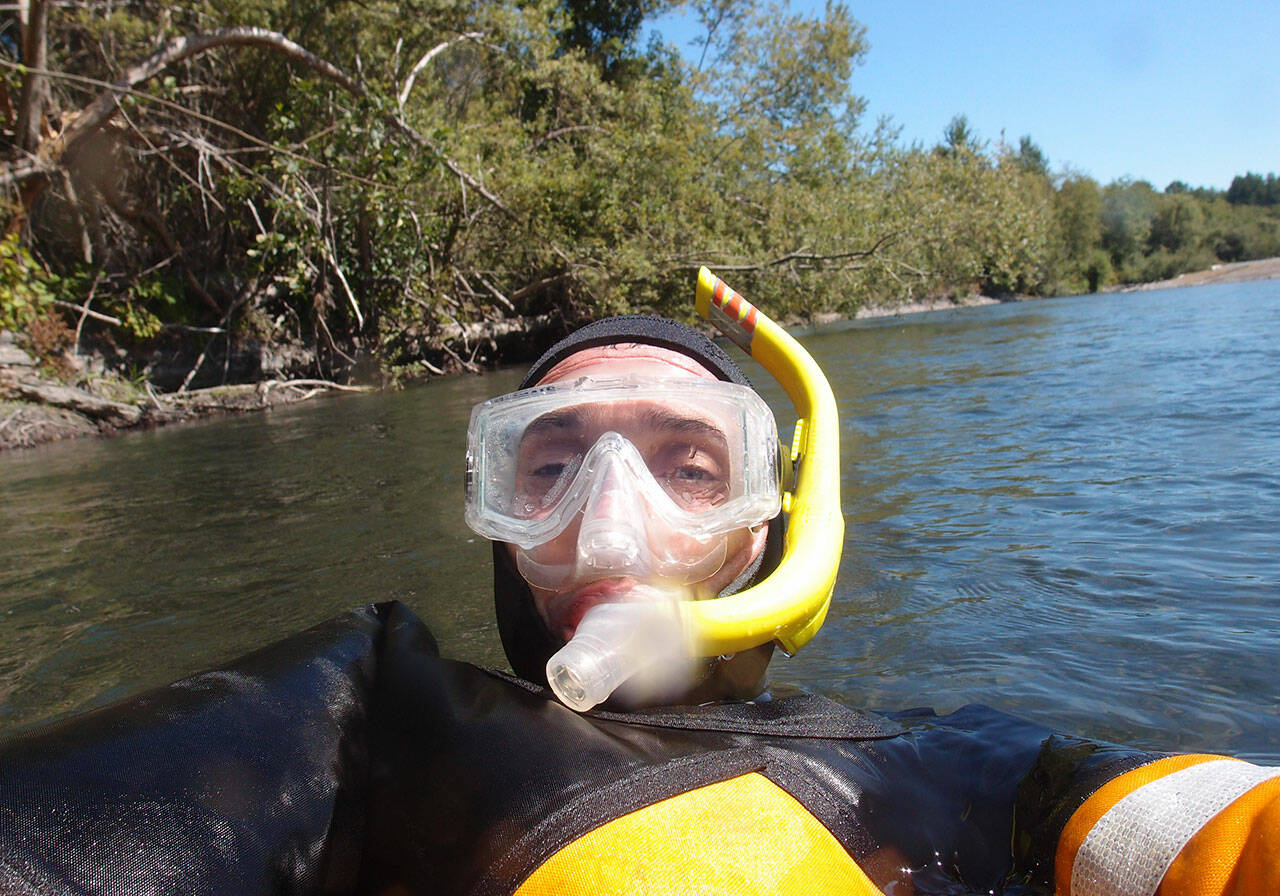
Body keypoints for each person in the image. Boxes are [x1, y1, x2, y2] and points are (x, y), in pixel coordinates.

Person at [1, 272, 1277, 896]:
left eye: (688, 464)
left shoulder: (954, 756)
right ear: (498, 524)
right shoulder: (371, 720)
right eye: (547, 463)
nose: (612, 523)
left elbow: (1213, 845)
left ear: (770, 529)